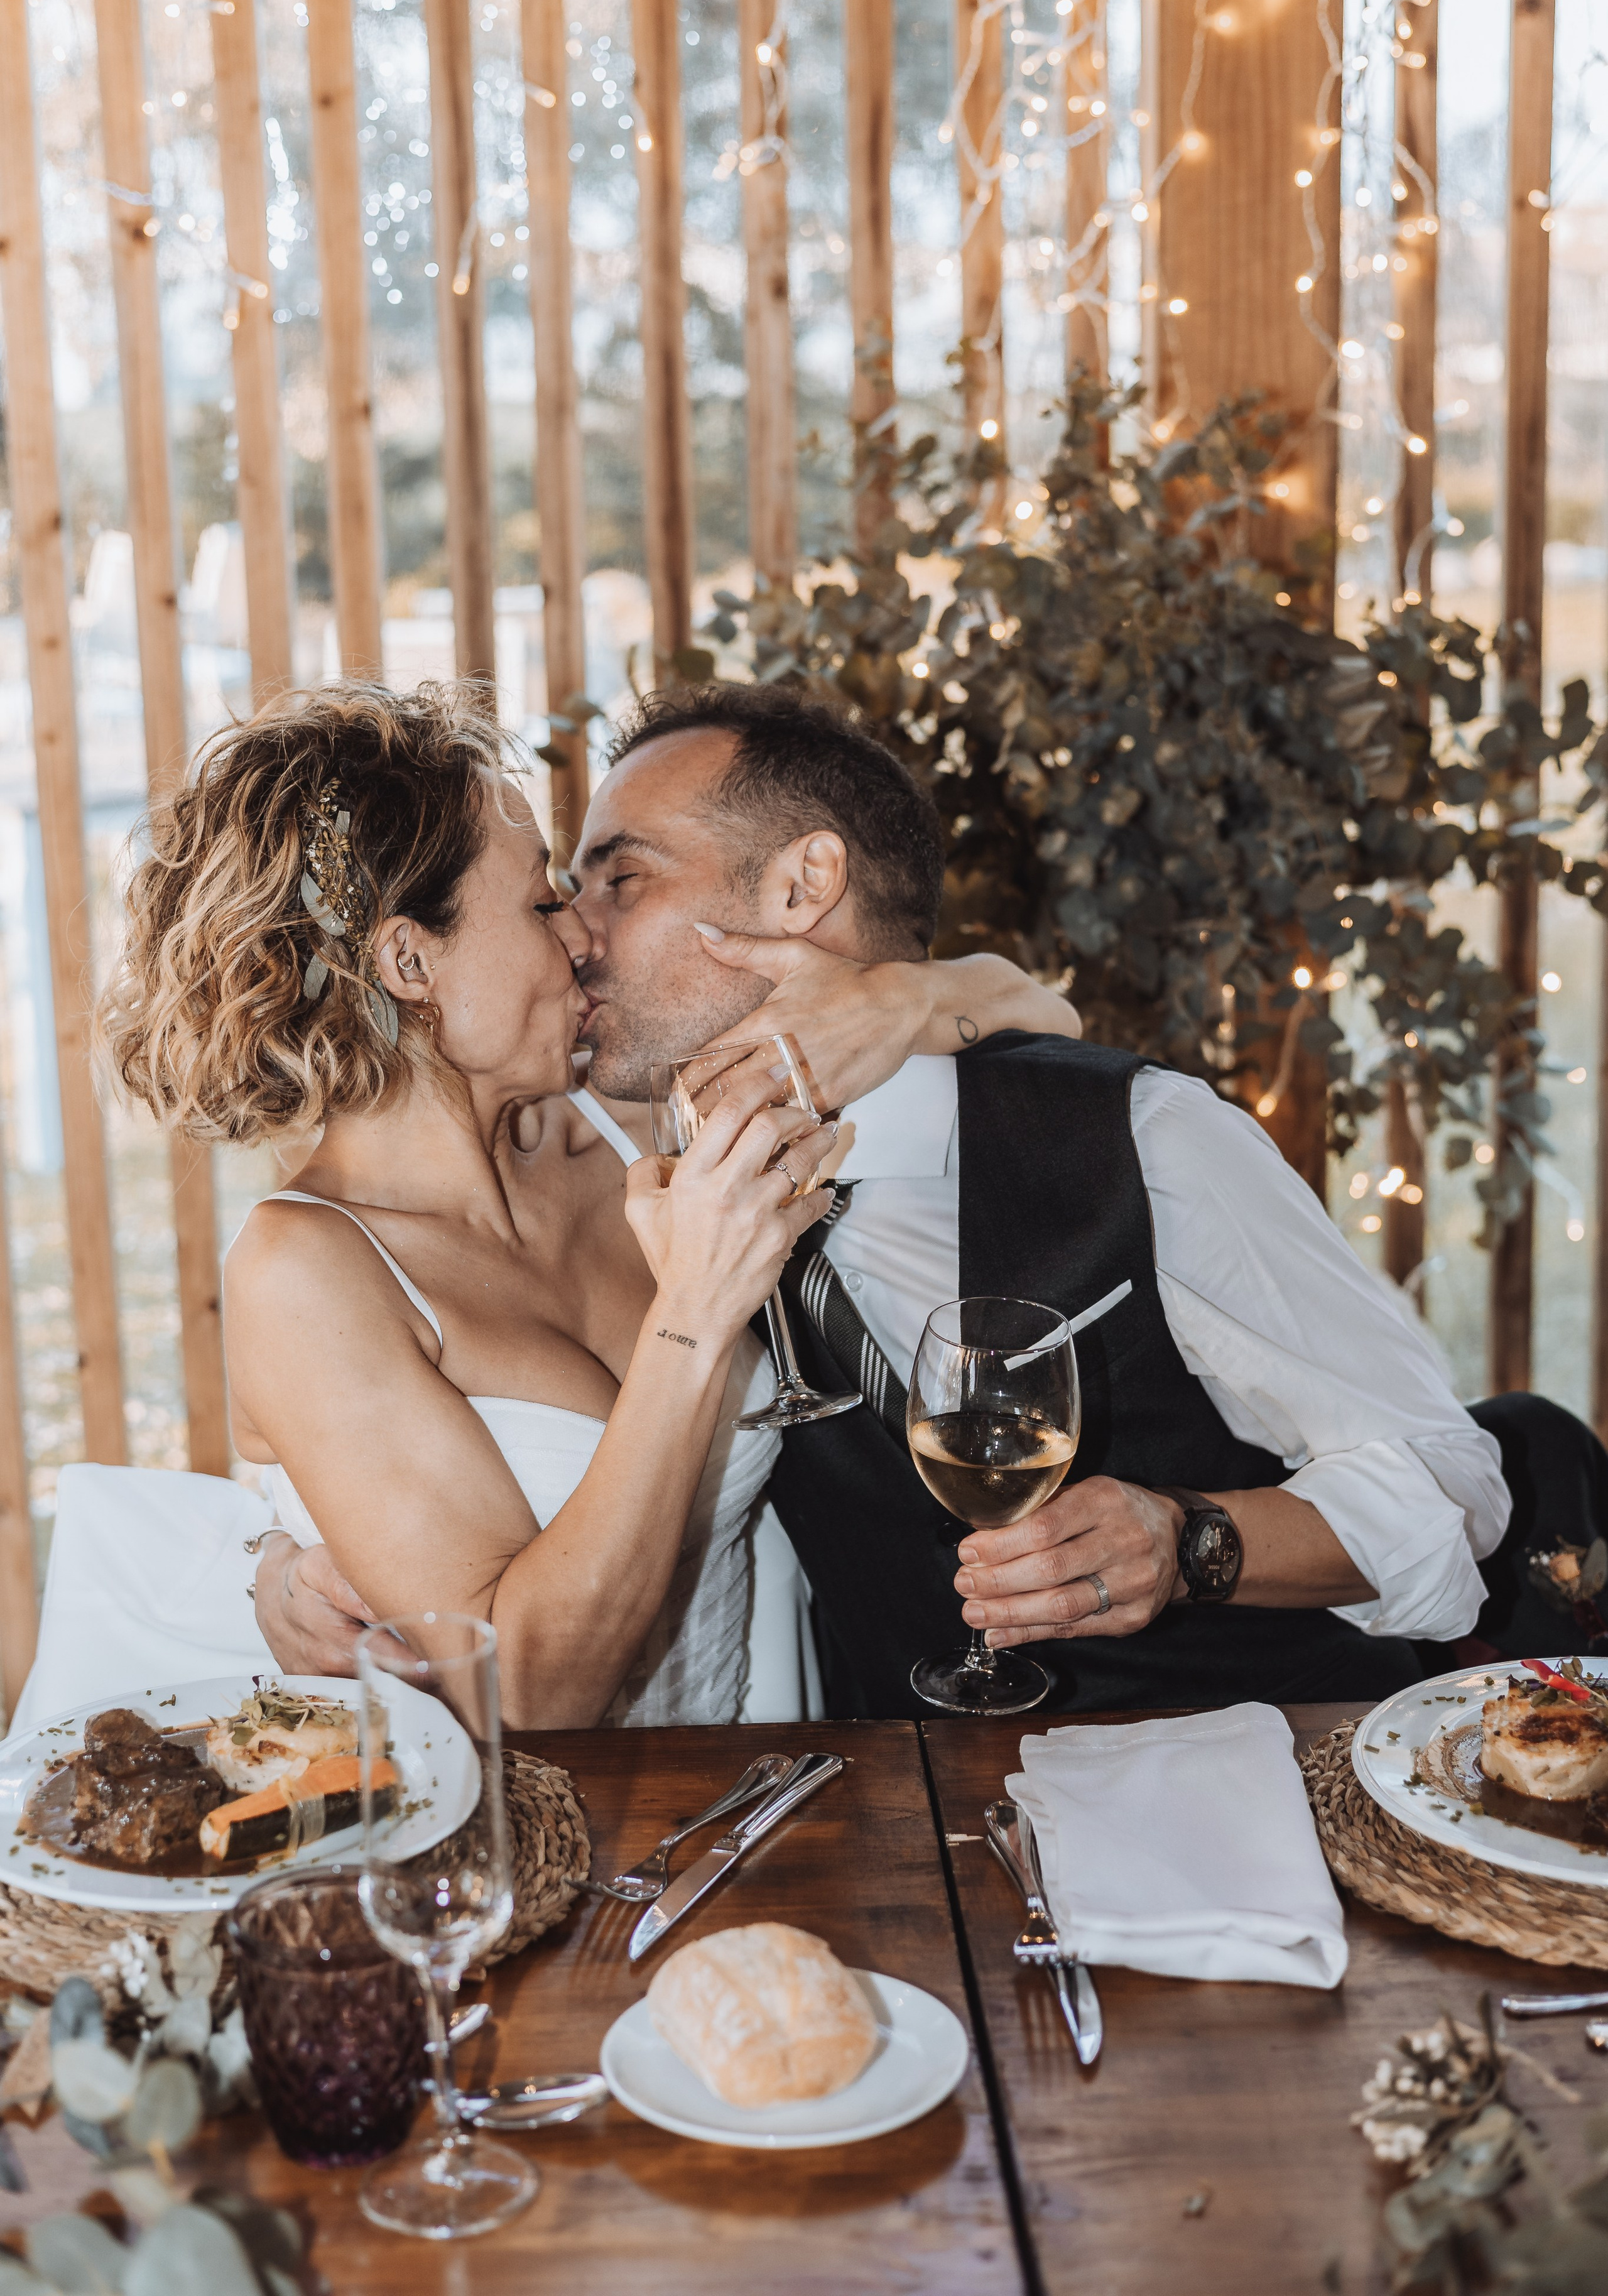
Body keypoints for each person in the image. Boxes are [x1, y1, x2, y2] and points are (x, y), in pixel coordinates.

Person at [259, 682, 1608, 1719]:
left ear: (801, 888)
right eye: (555, 893)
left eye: (618, 878)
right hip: (910, 1847)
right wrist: (272, 1556)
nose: (573, 930)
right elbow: (365, 1308)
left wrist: (1191, 1542)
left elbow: (1452, 1491)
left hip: (1264, 1783)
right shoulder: (619, 1146)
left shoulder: (1142, 1142)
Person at [95, 681, 1080, 1731]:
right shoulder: (307, 1269)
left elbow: (1044, 1010)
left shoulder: (622, 1118)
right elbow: (526, 1691)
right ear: (408, 960)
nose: (580, 935)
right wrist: (695, 1313)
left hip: (761, 1794)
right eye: (537, 902)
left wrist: (899, 998)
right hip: (528, 1859)